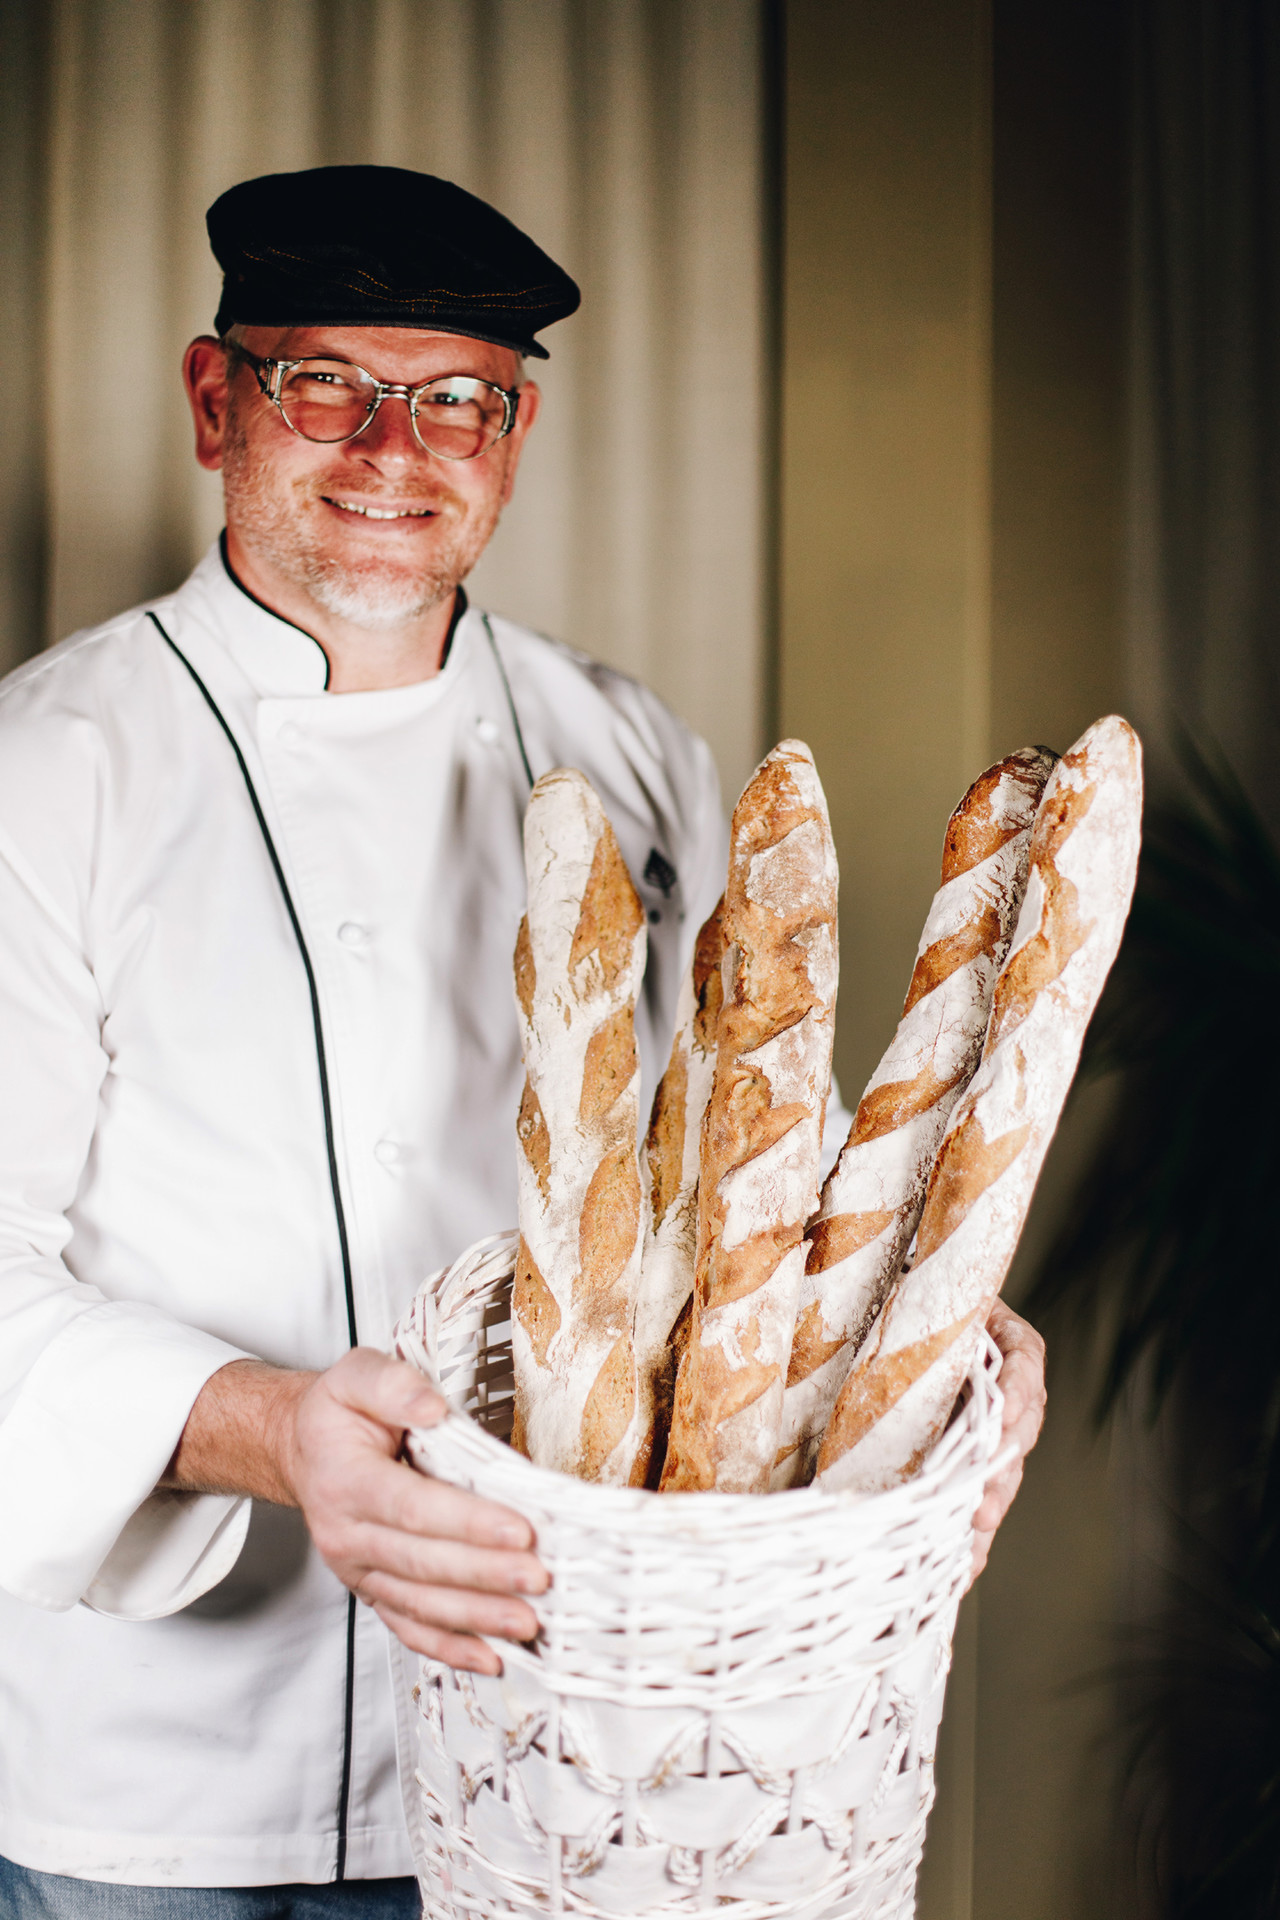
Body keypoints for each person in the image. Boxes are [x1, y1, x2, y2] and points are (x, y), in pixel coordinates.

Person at [0, 165, 1046, 1916]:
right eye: (326, 380)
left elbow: (743, 1194)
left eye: (457, 400)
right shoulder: (46, 768)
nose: (391, 450)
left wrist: (936, 1355)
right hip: (163, 1775)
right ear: (214, 399)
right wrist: (278, 1434)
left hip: (572, 1742)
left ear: (517, 429)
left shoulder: (627, 745)